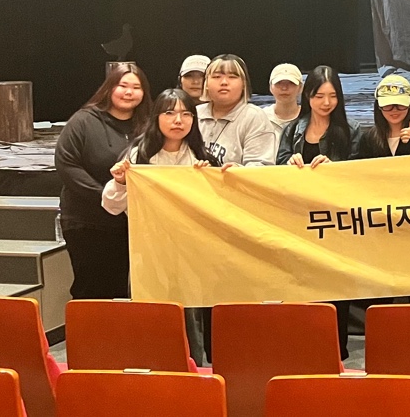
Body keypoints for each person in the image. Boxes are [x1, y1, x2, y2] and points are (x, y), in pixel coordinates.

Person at [102, 88, 214, 366]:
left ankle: (193, 377)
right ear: (156, 118)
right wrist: (120, 182)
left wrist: (211, 179)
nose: (178, 120)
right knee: (148, 318)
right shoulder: (139, 157)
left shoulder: (202, 158)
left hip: (190, 256)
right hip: (148, 254)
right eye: (170, 113)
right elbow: (111, 206)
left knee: (190, 323)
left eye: (186, 114)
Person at [276, 66, 363, 359]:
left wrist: (335, 169)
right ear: (307, 96)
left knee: (336, 288)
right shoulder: (292, 130)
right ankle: (306, 349)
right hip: (300, 222)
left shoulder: (351, 130)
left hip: (336, 223)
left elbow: (360, 174)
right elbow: (277, 170)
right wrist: (289, 163)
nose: (326, 103)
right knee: (303, 286)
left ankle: (337, 351)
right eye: (319, 96)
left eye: (332, 96)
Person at [54, 62, 152, 300]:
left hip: (132, 225)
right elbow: (67, 165)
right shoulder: (83, 121)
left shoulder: (148, 126)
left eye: (136, 87)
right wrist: (108, 197)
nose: (129, 92)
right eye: (123, 85)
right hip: (87, 222)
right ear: (109, 88)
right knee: (92, 290)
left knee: (126, 291)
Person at [196, 54, 277, 166]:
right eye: (216, 76)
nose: (224, 82)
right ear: (206, 83)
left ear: (244, 84)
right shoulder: (194, 114)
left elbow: (261, 166)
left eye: (232, 77)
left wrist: (238, 170)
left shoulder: (254, 117)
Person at [360, 74, 410, 157]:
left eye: (401, 105)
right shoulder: (368, 138)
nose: (394, 110)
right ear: (378, 107)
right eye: (388, 105)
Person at [261, 63, 303, 140]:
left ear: (300, 88)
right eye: (279, 83)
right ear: (270, 87)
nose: (284, 88)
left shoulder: (309, 118)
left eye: (291, 83)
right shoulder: (260, 117)